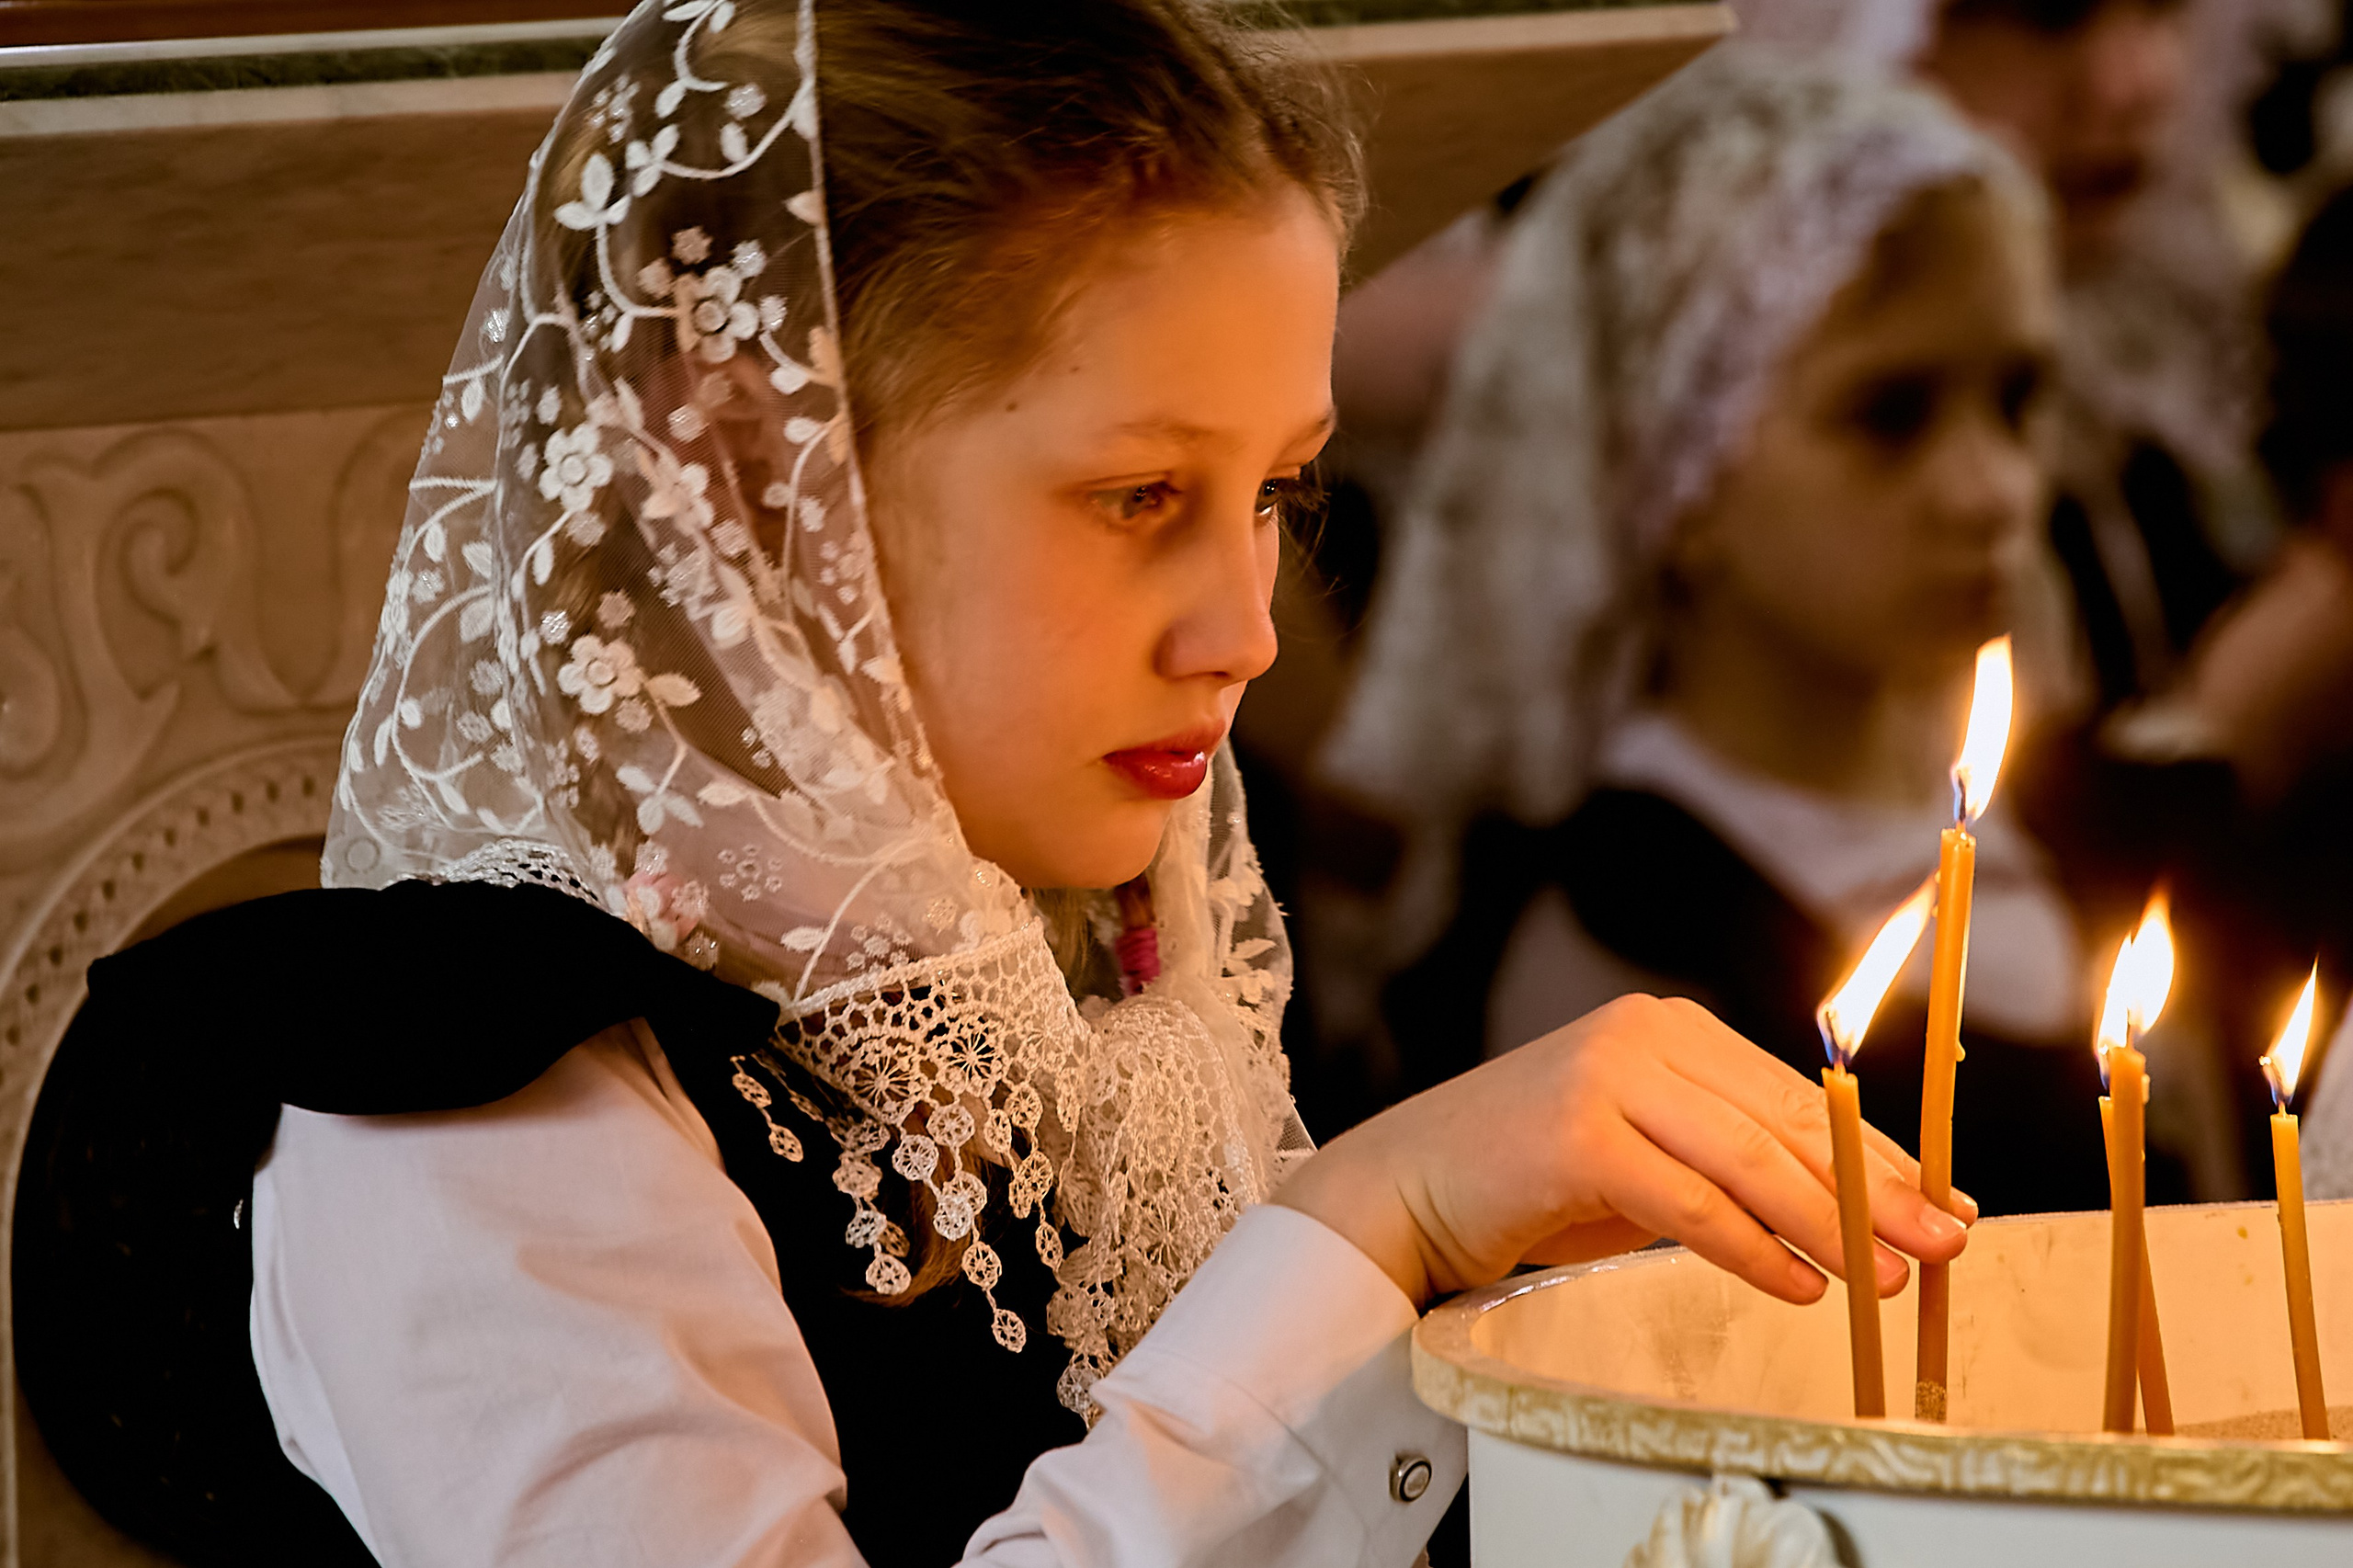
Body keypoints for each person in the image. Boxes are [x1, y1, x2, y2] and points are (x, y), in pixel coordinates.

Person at [13, 5, 1967, 1566]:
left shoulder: (1088, 976)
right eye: (1139, 497)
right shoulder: (480, 1108)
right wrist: (1369, 1240)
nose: (1245, 630)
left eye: (1279, 495)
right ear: (752, 468)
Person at [1325, 46, 2120, 1219]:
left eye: (2015, 399)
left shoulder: (2081, 817)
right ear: (1678, 474)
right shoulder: (1626, 929)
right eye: (1888, 414)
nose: (1991, 488)